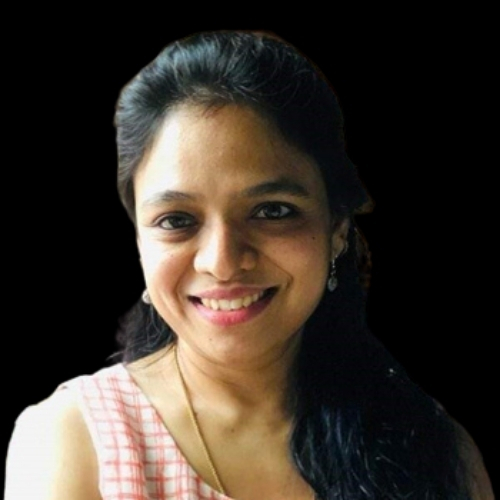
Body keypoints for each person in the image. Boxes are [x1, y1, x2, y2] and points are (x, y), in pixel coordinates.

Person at [5, 31, 493, 500]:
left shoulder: (432, 450)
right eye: (176, 220)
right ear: (138, 242)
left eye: (272, 211)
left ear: (337, 228)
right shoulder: (76, 440)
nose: (221, 262)